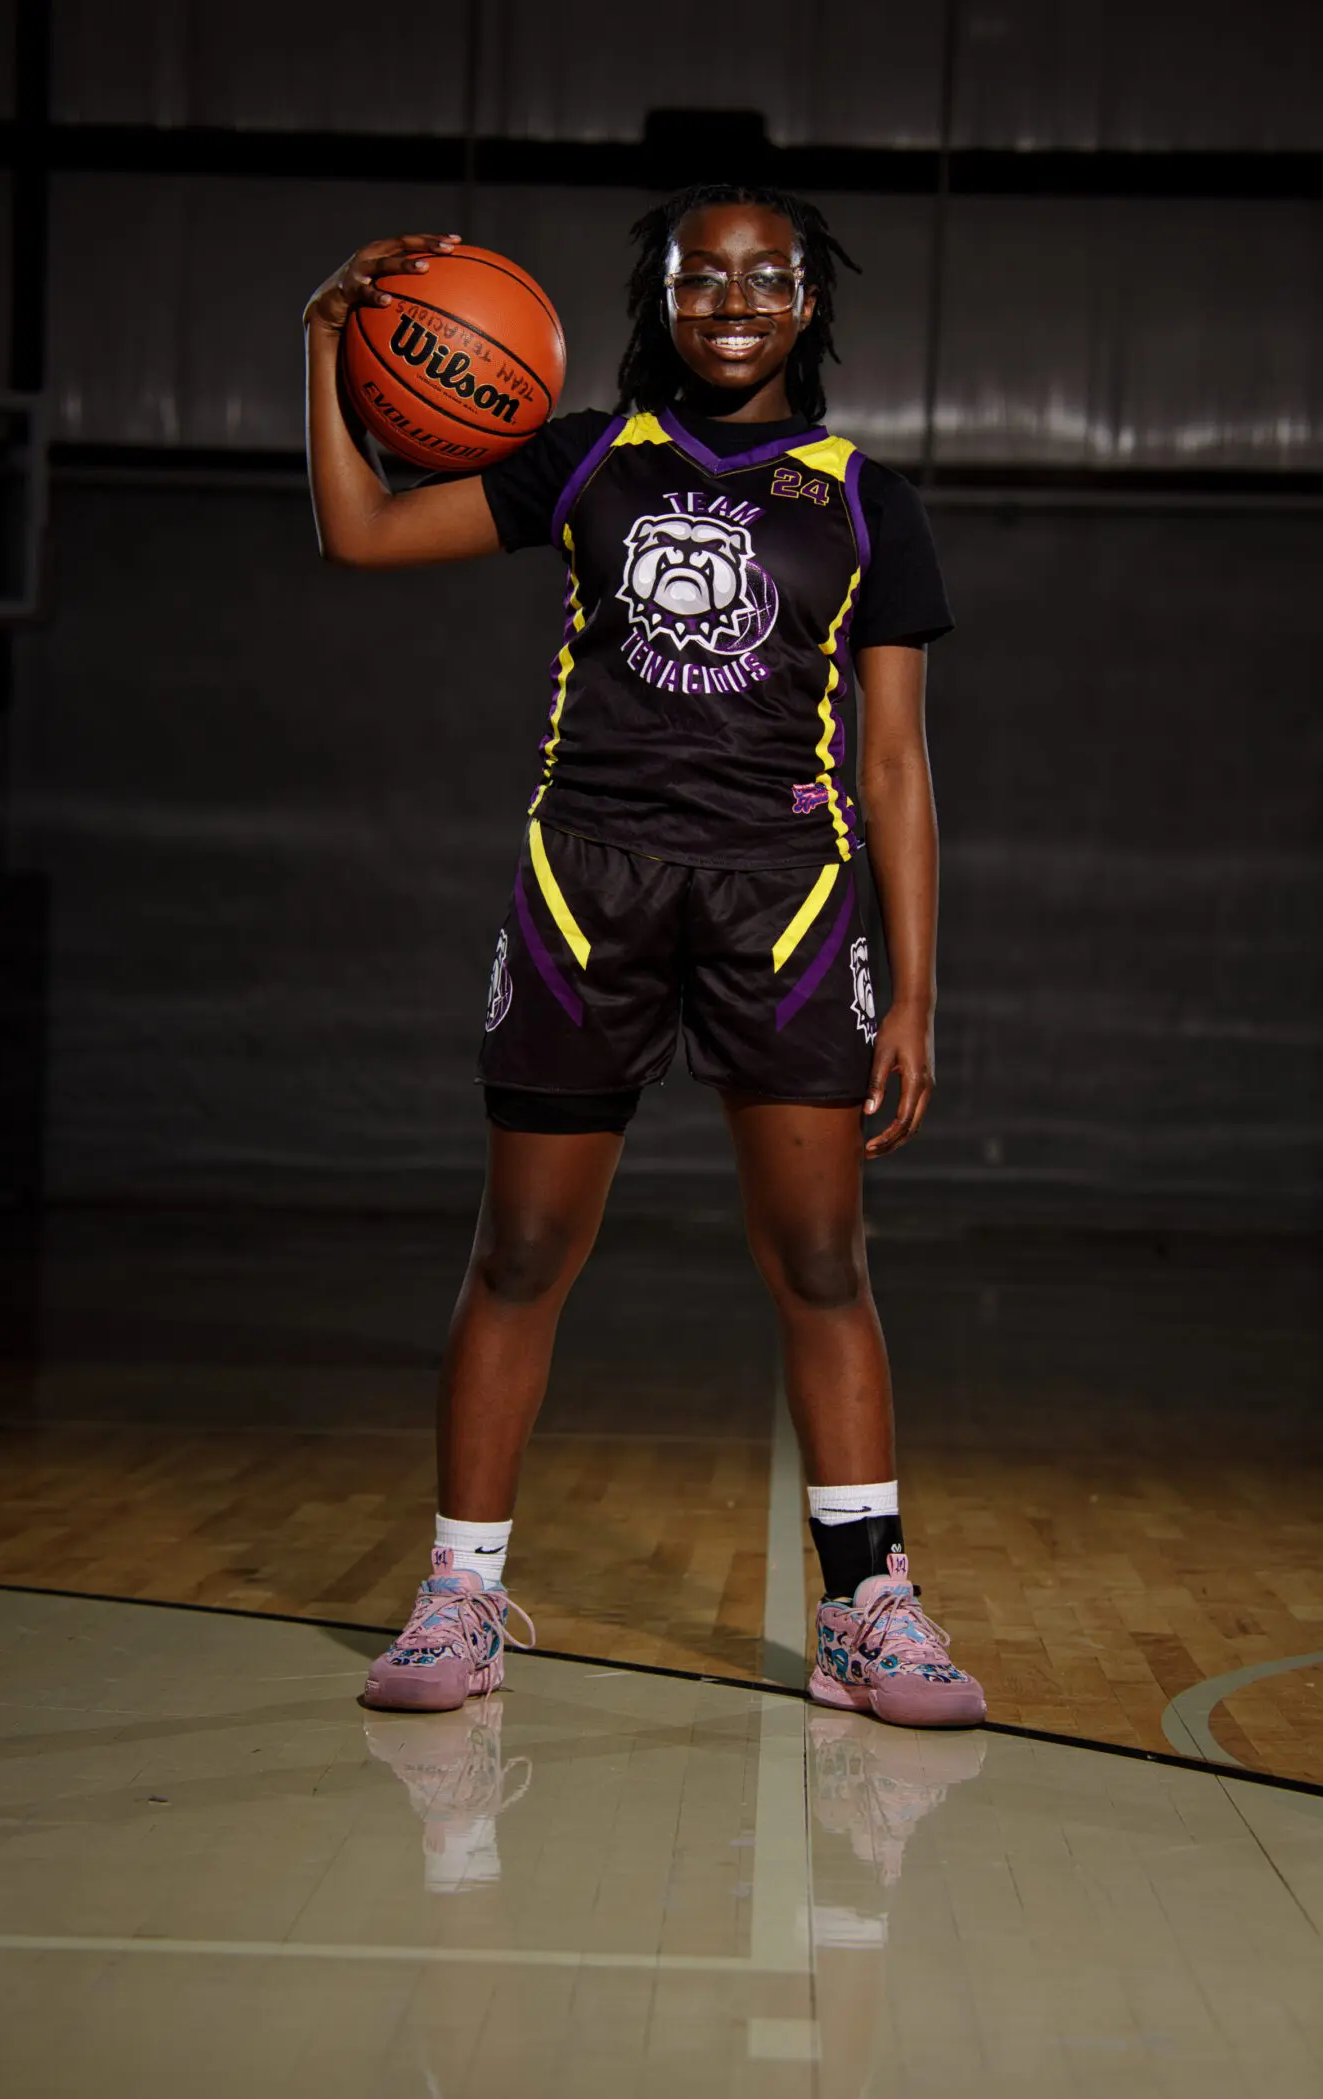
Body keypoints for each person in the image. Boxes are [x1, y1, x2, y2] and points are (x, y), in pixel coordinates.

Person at [303, 183, 984, 1729]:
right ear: (661, 297)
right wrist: (331, 340)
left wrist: (920, 991)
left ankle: (867, 1609)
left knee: (821, 1261)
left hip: (787, 902)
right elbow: (355, 529)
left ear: (809, 300)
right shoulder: (588, 456)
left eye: (766, 276)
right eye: (700, 276)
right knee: (523, 1255)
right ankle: (460, 1596)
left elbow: (894, 765)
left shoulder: (868, 498)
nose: (731, 299)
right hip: (586, 887)